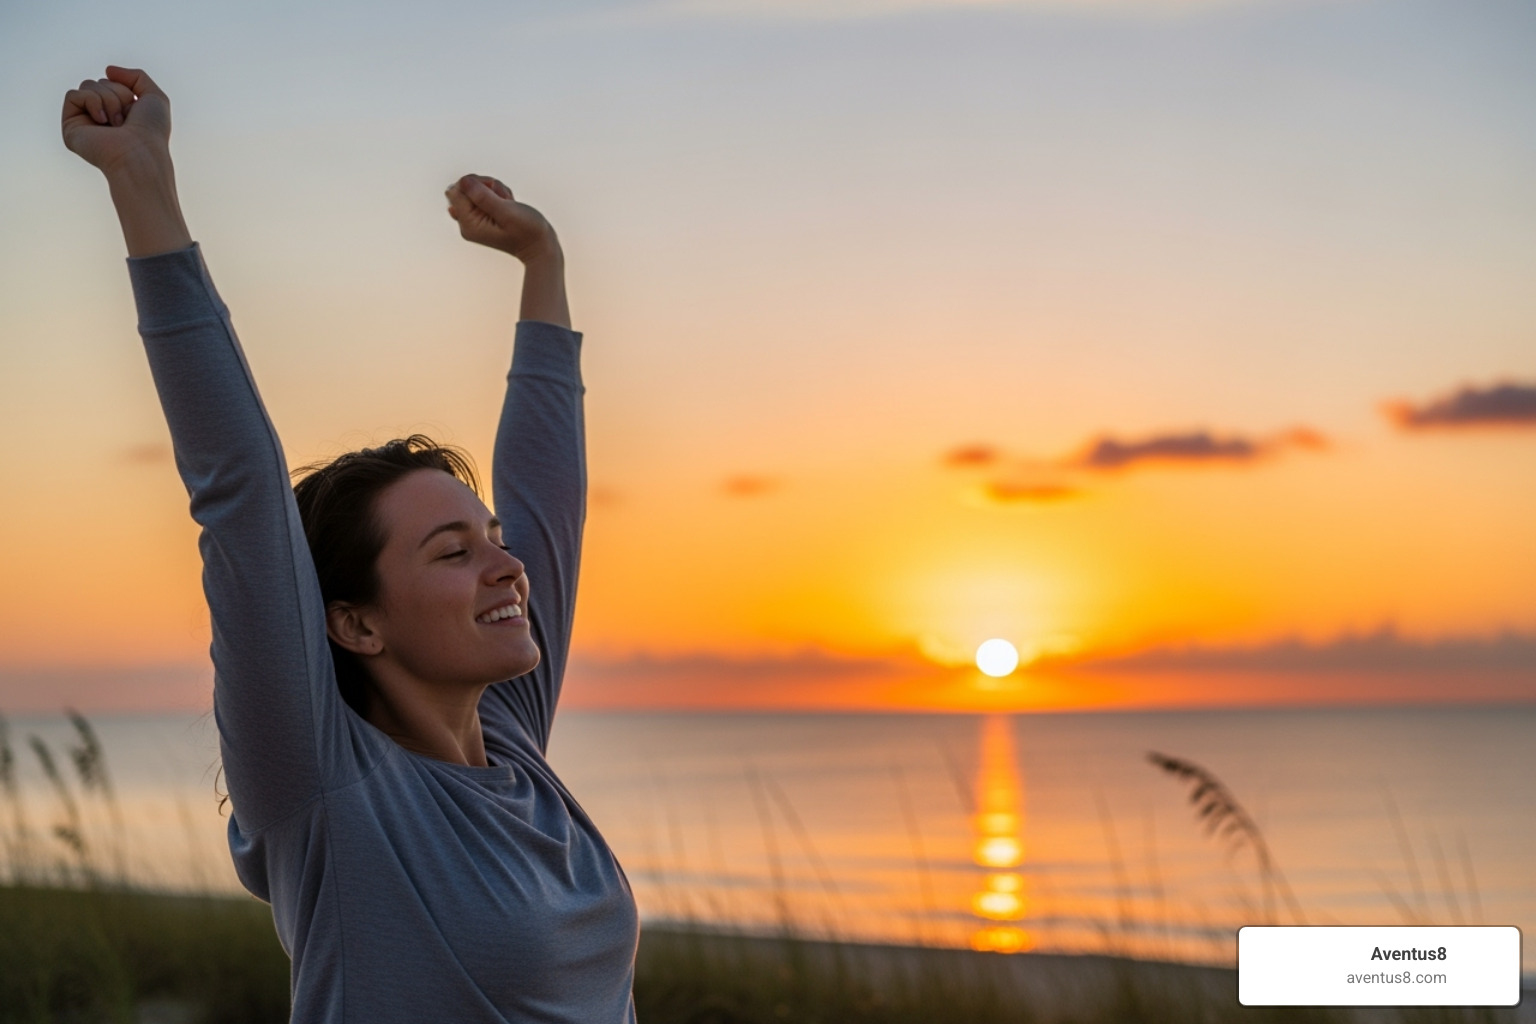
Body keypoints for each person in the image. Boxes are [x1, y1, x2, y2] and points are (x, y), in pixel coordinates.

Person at [62, 67, 639, 1023]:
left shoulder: (512, 747)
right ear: (355, 623)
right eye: (451, 553)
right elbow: (239, 490)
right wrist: (141, 184)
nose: (507, 567)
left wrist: (545, 264)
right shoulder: (328, 789)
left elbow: (550, 504)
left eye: (489, 539)